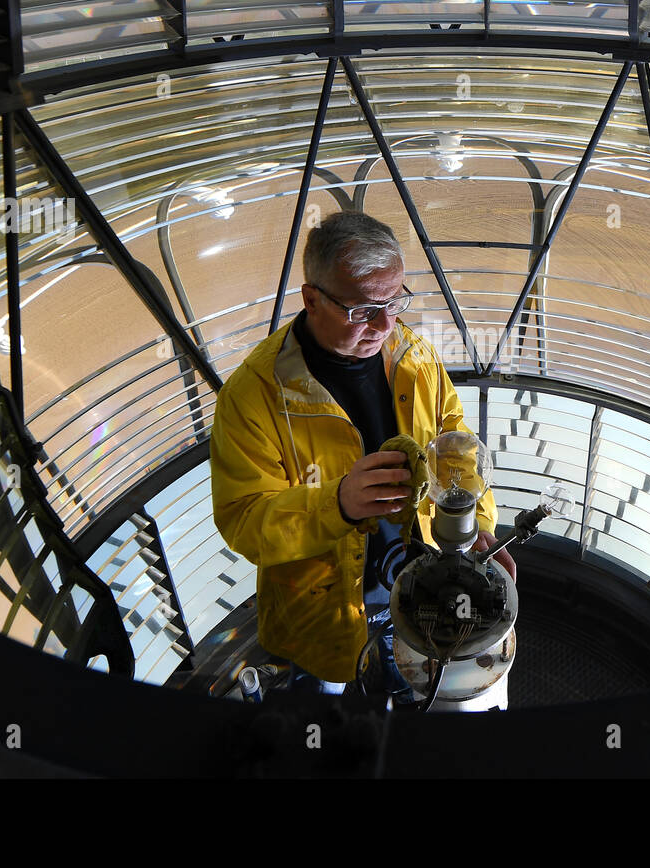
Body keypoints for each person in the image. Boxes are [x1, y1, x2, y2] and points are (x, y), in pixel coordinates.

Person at [210, 210, 515, 699]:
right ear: (312, 299)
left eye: (396, 300)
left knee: (412, 680)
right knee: (330, 698)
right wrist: (336, 505)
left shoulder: (412, 355)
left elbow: (454, 441)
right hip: (325, 615)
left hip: (418, 582)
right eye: (363, 310)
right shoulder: (253, 397)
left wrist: (475, 522)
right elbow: (243, 520)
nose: (385, 323)